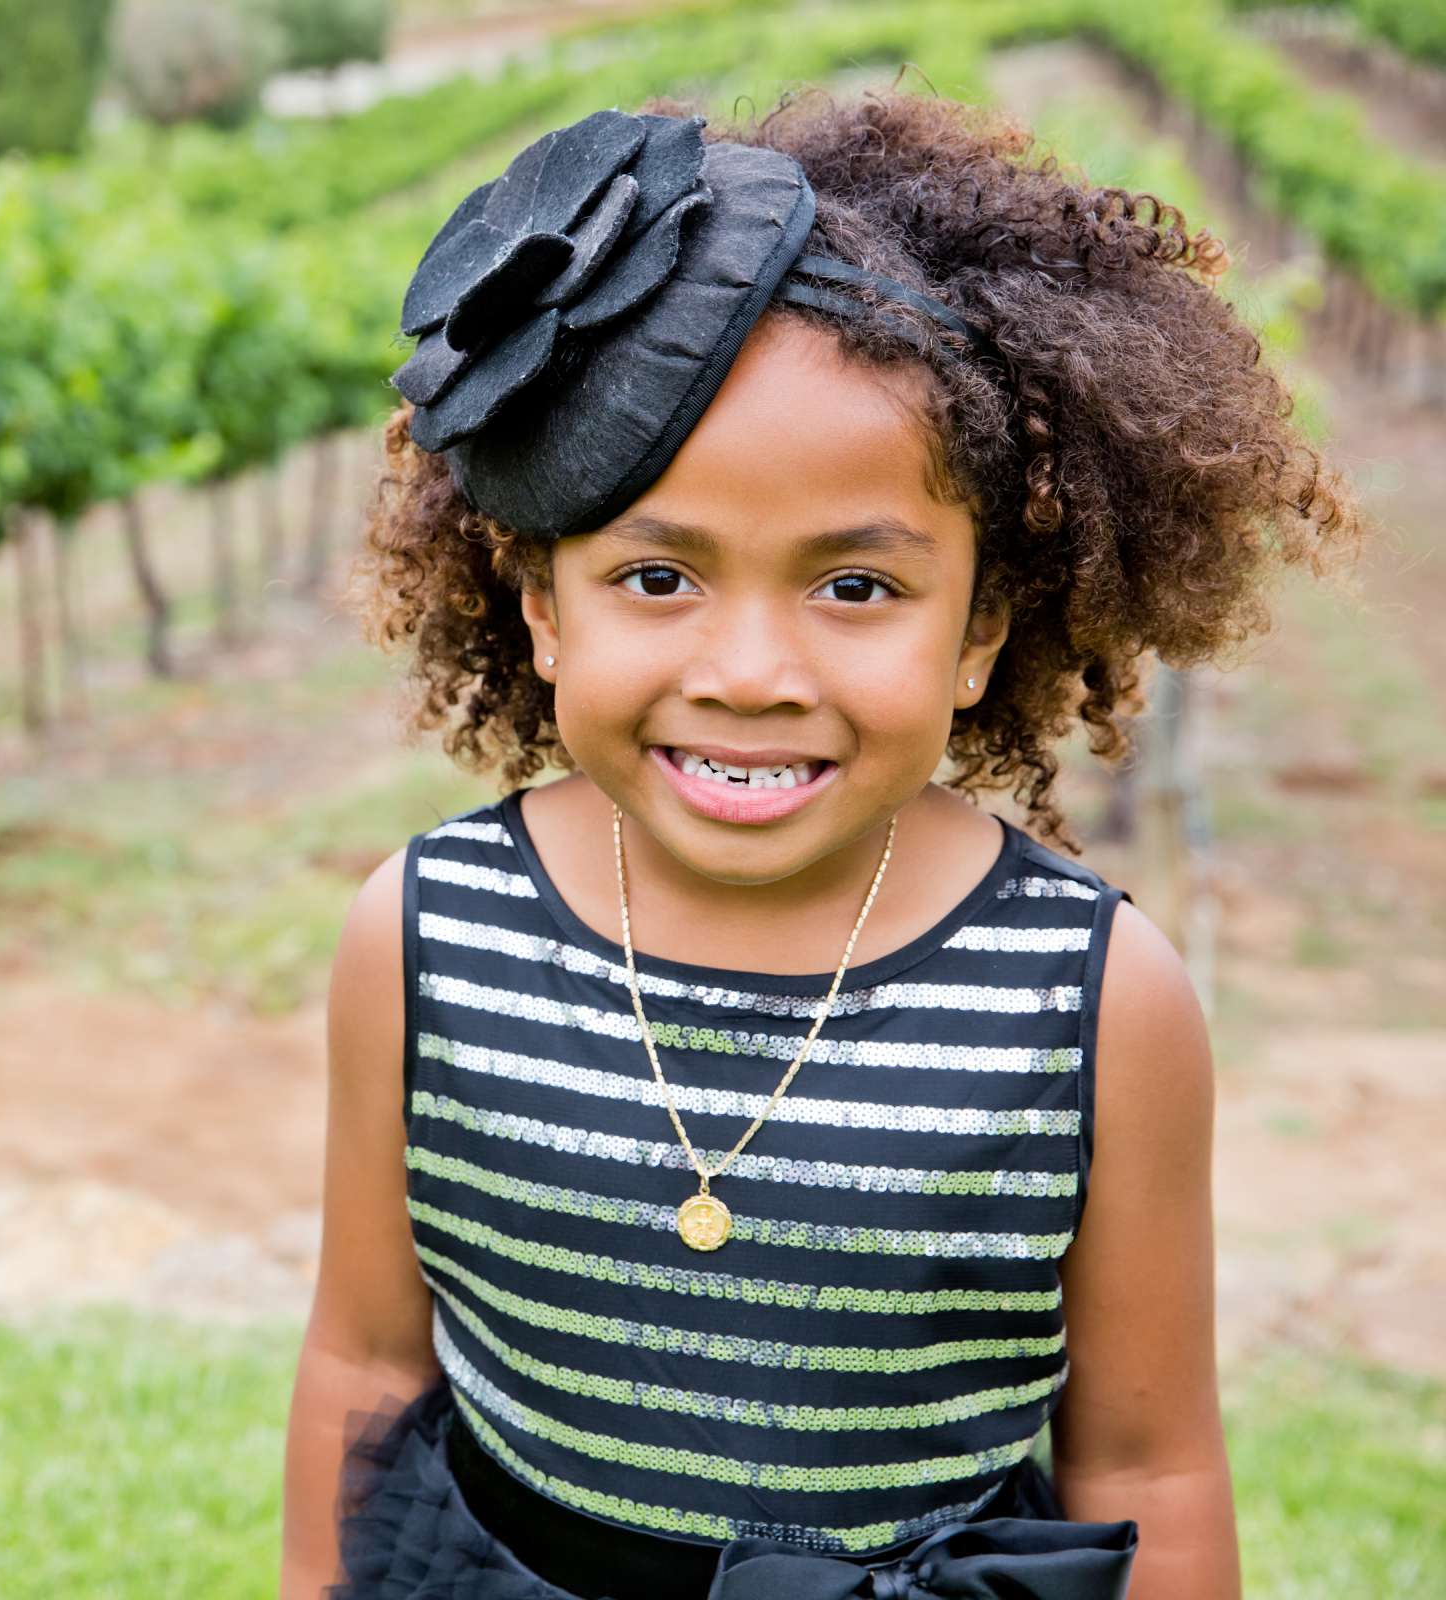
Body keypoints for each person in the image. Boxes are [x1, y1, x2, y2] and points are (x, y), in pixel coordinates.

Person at [279, 87, 1367, 1600]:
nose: (749, 671)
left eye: (855, 590)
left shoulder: (1092, 1002)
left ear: (982, 629)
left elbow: (1149, 1465)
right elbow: (364, 1362)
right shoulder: (421, 938)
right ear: (539, 604)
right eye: (657, 576)